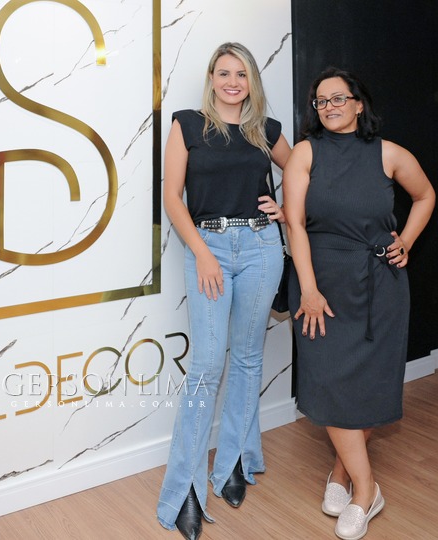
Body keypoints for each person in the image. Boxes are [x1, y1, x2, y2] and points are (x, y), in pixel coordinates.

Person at [282, 67, 435, 540]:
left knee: (367, 385)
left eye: (338, 98)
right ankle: (369, 489)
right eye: (321, 101)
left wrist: (406, 240)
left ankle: (344, 473)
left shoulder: (389, 153)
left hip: (378, 286)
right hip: (321, 286)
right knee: (329, 381)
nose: (329, 107)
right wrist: (308, 289)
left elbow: (425, 195)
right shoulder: (305, 153)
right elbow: (295, 223)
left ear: (358, 103)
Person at [156, 42, 291, 540]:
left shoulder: (265, 131)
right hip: (208, 247)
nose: (233, 82)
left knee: (249, 358)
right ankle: (185, 490)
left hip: (261, 247)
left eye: (242, 74)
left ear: (252, 81)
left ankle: (234, 458)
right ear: (212, 78)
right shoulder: (189, 125)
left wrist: (285, 211)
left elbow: (304, 171)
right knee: (207, 366)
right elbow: (172, 197)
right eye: (224, 73)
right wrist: (203, 252)